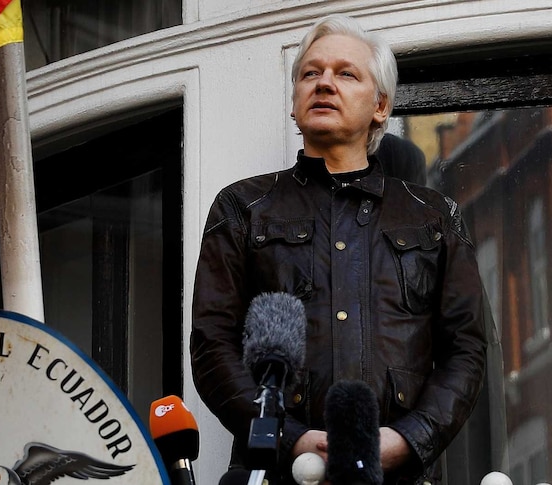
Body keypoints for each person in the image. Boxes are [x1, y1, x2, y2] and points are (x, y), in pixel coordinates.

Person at [190, 14, 487, 484]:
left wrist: (410, 439)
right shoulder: (243, 207)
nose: (324, 83)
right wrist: (288, 438)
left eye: (346, 73)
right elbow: (212, 346)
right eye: (311, 73)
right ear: (294, 104)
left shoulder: (432, 216)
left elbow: (466, 351)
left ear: (381, 106)